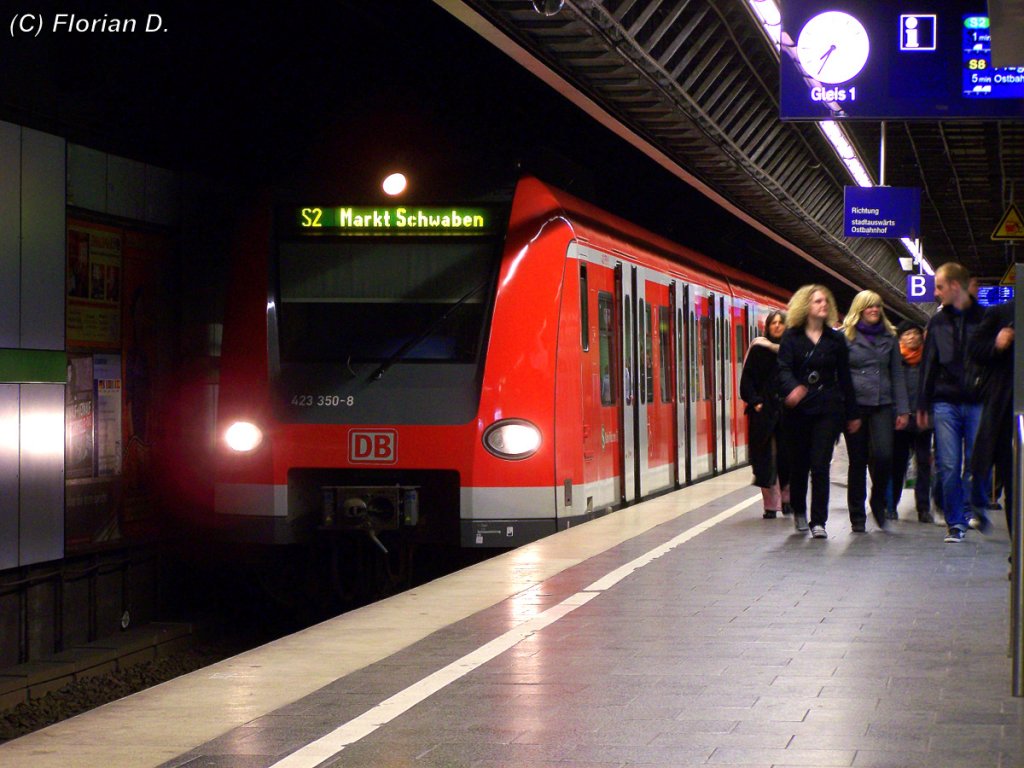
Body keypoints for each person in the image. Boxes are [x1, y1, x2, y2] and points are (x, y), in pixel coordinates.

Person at [778, 285, 861, 539]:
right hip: (798, 410)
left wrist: (852, 413)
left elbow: (845, 377)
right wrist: (792, 389)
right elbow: (782, 369)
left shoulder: (835, 339)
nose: (823, 305)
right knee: (799, 463)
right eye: (817, 301)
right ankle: (800, 510)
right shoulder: (791, 337)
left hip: (828, 406)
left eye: (826, 301)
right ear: (806, 306)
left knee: (820, 464)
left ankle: (819, 521)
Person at [916, 262, 986, 543]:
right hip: (944, 402)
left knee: (975, 463)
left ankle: (969, 509)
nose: (935, 292)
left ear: (955, 286)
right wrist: (922, 404)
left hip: (977, 400)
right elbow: (928, 364)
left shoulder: (985, 318)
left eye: (940, 287)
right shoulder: (937, 322)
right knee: (948, 464)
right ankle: (955, 522)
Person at [841, 291, 909, 531]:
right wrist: (845, 409)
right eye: (869, 306)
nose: (874, 310)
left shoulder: (889, 337)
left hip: (882, 403)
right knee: (857, 461)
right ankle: (857, 517)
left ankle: (878, 499)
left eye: (877, 306)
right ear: (859, 308)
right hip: (855, 406)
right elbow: (840, 375)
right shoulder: (846, 337)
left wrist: (903, 409)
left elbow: (897, 374)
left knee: (884, 456)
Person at [967, 298, 1015, 535]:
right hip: (1010, 412)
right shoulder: (1002, 312)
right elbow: (975, 349)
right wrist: (996, 345)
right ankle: (1017, 553)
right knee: (1016, 483)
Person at [740, 310, 790, 519]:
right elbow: (747, 379)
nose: (777, 326)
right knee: (766, 459)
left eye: (781, 323)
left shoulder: (793, 349)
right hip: (764, 412)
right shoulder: (759, 348)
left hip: (788, 411)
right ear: (767, 327)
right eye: (773, 323)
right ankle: (771, 505)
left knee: (789, 457)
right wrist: (756, 402)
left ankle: (788, 500)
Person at [890, 319, 934, 523]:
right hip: (902, 419)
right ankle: (891, 505)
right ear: (900, 338)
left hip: (924, 419)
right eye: (907, 334)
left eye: (916, 333)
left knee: (924, 463)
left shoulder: (929, 359)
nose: (912, 337)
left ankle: (923, 508)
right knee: (898, 463)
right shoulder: (895, 360)